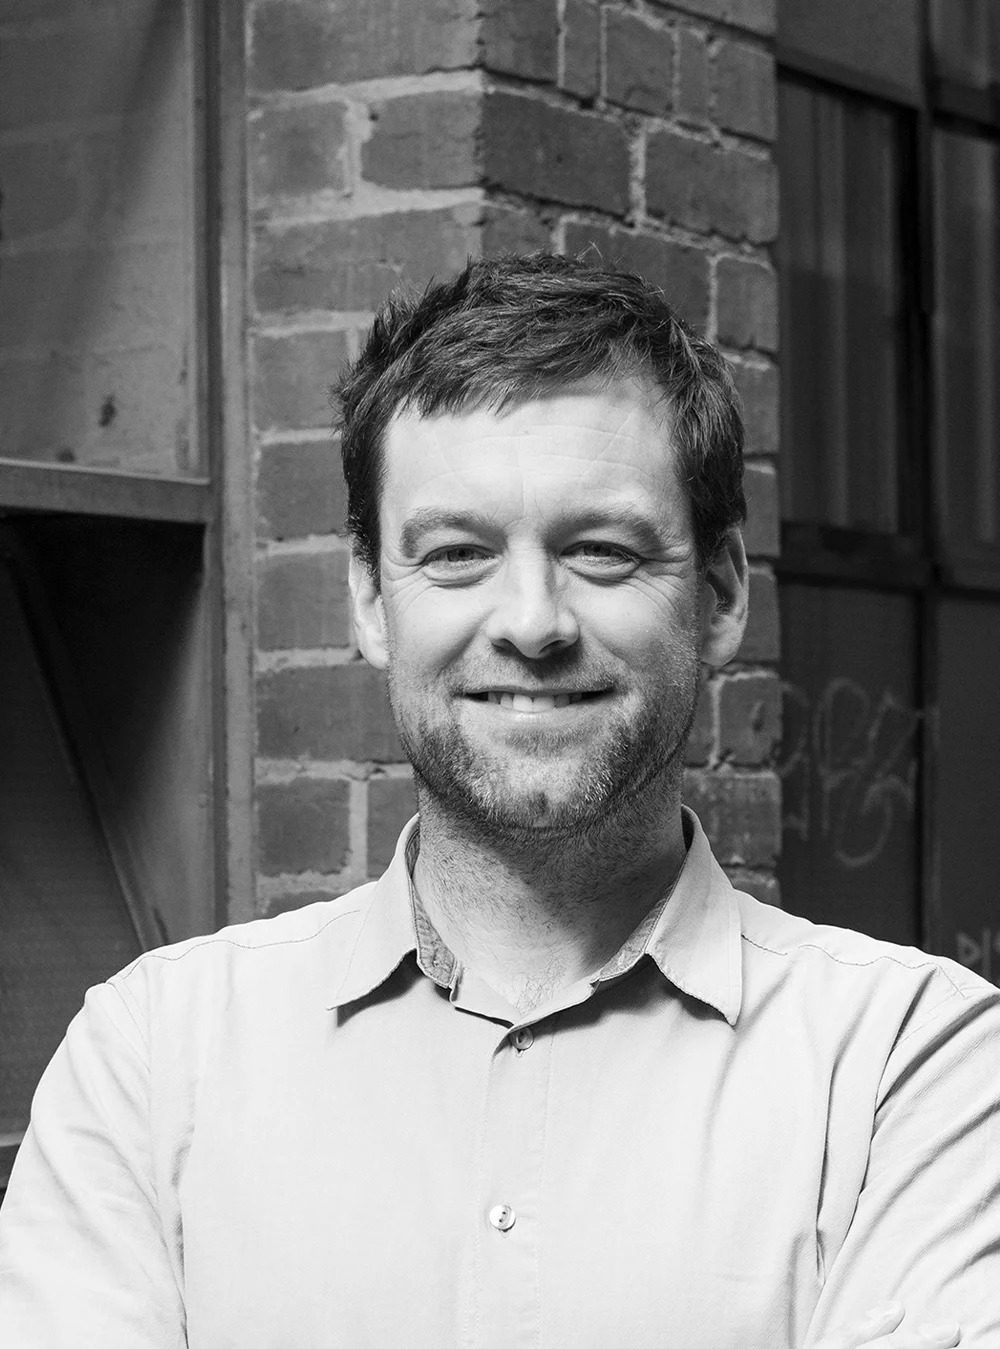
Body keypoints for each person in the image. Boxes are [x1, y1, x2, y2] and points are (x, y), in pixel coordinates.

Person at [0, 253, 996, 1348]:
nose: (532, 621)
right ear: (372, 598)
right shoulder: (151, 1057)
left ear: (718, 596)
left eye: (601, 551)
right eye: (460, 552)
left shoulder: (917, 1064)